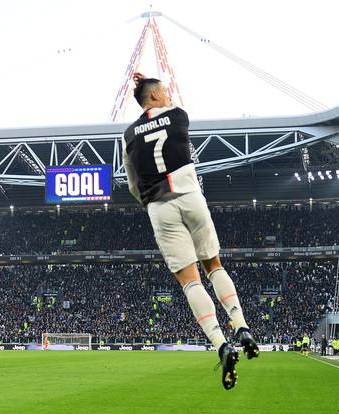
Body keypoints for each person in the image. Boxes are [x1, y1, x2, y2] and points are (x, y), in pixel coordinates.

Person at [122, 73, 259, 390]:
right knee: (213, 264)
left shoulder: (128, 135)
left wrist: (149, 200)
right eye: (164, 92)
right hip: (189, 194)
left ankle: (220, 344)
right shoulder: (178, 115)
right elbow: (169, 114)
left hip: (159, 206)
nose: (168, 95)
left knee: (189, 281)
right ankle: (240, 324)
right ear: (155, 96)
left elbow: (131, 184)